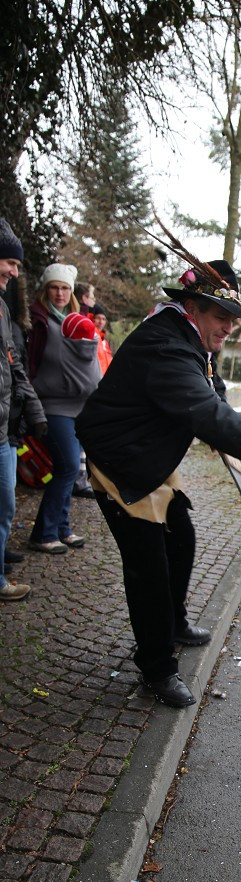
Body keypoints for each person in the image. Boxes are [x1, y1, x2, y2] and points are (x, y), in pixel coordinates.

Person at [76, 256, 241, 708]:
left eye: (233, 319)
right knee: (149, 567)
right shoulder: (166, 344)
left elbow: (211, 392)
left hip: (150, 454)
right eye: (221, 316)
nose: (228, 327)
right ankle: (157, 666)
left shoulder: (192, 339)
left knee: (181, 536)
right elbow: (202, 410)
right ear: (193, 306)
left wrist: (233, 441)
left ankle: (175, 622)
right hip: (122, 460)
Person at [27, 263, 102, 552]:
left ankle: (62, 528)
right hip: (52, 405)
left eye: (65, 288)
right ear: (46, 290)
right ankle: (44, 533)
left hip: (80, 408)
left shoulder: (78, 321)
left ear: (72, 291)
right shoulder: (39, 321)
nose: (59, 293)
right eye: (54, 287)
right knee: (69, 466)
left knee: (68, 469)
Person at [0, 218, 46, 600]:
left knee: (6, 503)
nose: (15, 272)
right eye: (10, 263)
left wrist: (34, 411)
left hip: (5, 428)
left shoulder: (1, 309)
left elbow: (14, 366)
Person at [92, 304, 113, 375]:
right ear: (93, 319)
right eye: (98, 318)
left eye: (103, 319)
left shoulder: (104, 341)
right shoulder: (92, 336)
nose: (101, 322)